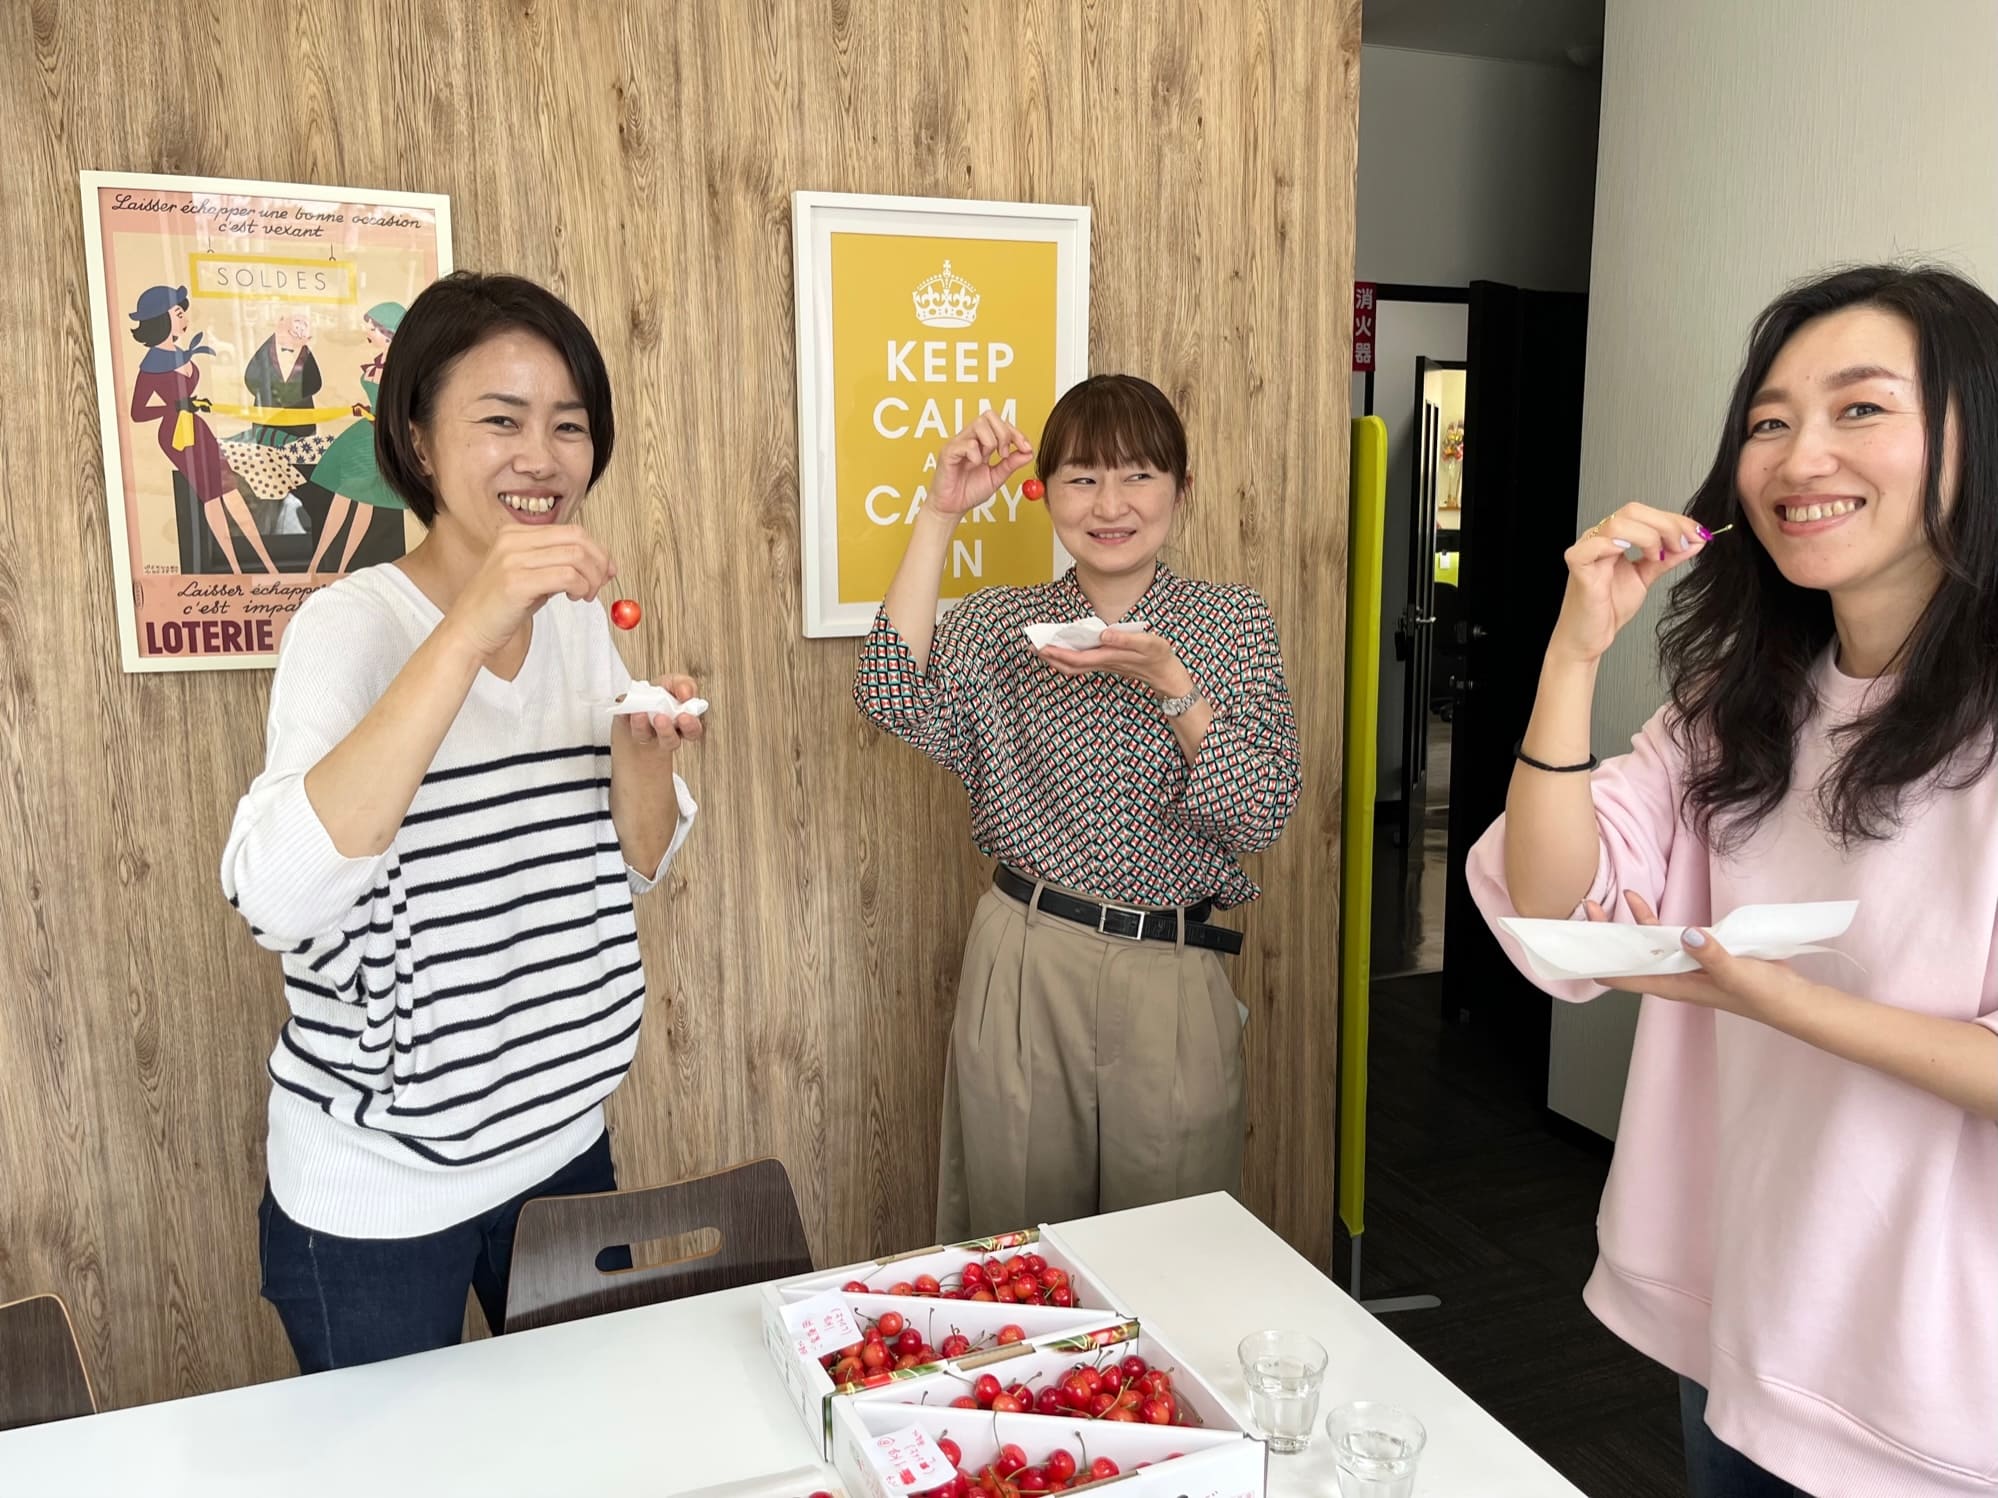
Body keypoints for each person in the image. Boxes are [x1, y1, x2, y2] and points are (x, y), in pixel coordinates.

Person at [1467, 264, 1998, 1497]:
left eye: (1862, 409)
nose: (1800, 455)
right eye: (1769, 420)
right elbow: (1557, 901)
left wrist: (1774, 999)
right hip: (1748, 1309)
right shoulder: (1735, 706)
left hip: (1938, 1375)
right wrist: (1572, 652)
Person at [221, 271, 703, 1372]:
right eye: (501, 420)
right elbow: (276, 899)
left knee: (592, 1456)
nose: (543, 455)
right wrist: (473, 616)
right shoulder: (349, 628)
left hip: (561, 1143)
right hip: (377, 1190)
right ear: (420, 442)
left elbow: (634, 860)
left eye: (569, 425)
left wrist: (641, 757)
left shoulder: (577, 620)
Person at [854, 374, 1301, 1241]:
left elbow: (1256, 816)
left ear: (1181, 487)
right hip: (1027, 957)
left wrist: (1172, 684)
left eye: (1138, 475)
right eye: (1083, 477)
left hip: (1170, 965)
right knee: (1020, 1240)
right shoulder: (1001, 626)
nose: (1111, 504)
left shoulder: (1232, 623)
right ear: (1045, 492)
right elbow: (889, 693)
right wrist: (940, 512)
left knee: (1171, 1247)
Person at [127, 283, 281, 576]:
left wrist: (191, 403)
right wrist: (174, 407)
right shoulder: (150, 366)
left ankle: (268, 565)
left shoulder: (180, 353)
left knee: (230, 491)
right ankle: (236, 570)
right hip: (177, 436)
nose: (185, 317)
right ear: (162, 318)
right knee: (212, 497)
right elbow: (137, 412)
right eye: (178, 312)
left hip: (198, 428)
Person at [304, 301, 407, 582]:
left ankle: (344, 567)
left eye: (372, 327)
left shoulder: (399, 371)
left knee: (362, 501)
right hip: (362, 434)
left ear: (388, 332)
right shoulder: (378, 362)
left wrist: (377, 417)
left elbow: (397, 411)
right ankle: (319, 562)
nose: (368, 331)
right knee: (344, 496)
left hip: (378, 439)